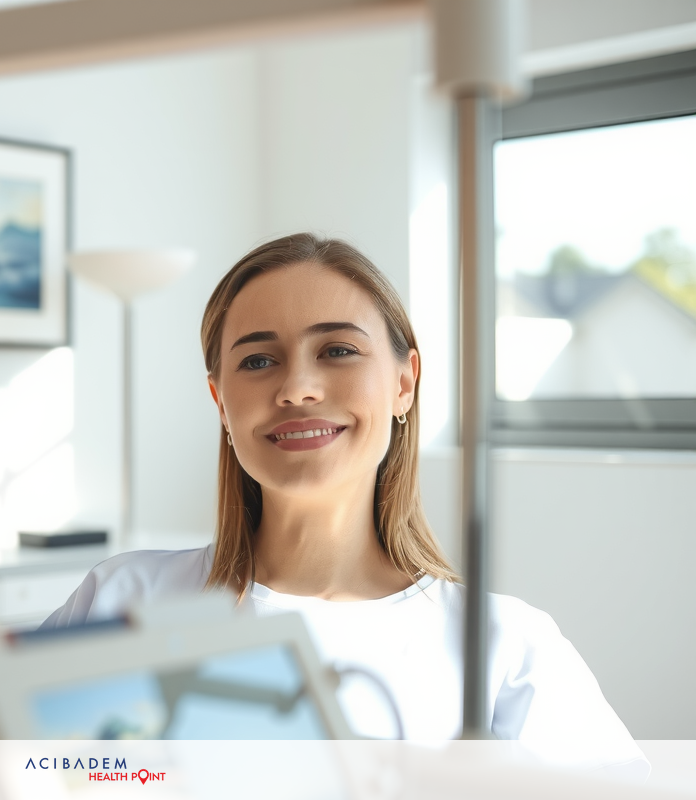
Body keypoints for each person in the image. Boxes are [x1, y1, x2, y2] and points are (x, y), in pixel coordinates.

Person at [40, 233, 647, 777]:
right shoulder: (119, 602)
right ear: (221, 402)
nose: (297, 387)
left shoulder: (505, 646)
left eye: (337, 350)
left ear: (404, 382)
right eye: (257, 360)